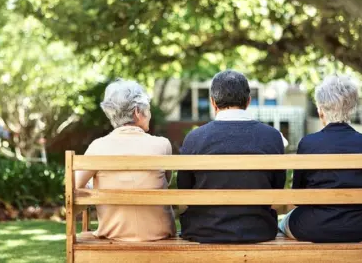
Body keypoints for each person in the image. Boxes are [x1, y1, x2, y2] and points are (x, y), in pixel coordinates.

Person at [178, 70, 286, 243]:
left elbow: (184, 191)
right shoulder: (272, 136)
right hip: (259, 229)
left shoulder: (194, 138)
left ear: (213, 102)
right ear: (248, 101)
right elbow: (277, 189)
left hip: (203, 230)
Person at [279, 75, 362, 243]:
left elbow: (298, 196)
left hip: (314, 226)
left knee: (283, 223)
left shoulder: (308, 144)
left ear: (320, 111)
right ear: (351, 109)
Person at [75, 79, 176, 241]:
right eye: (148, 109)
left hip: (114, 235)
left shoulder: (97, 147)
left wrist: (93, 186)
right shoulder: (162, 145)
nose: (149, 114)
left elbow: (73, 188)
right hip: (159, 234)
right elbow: (166, 181)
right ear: (137, 111)